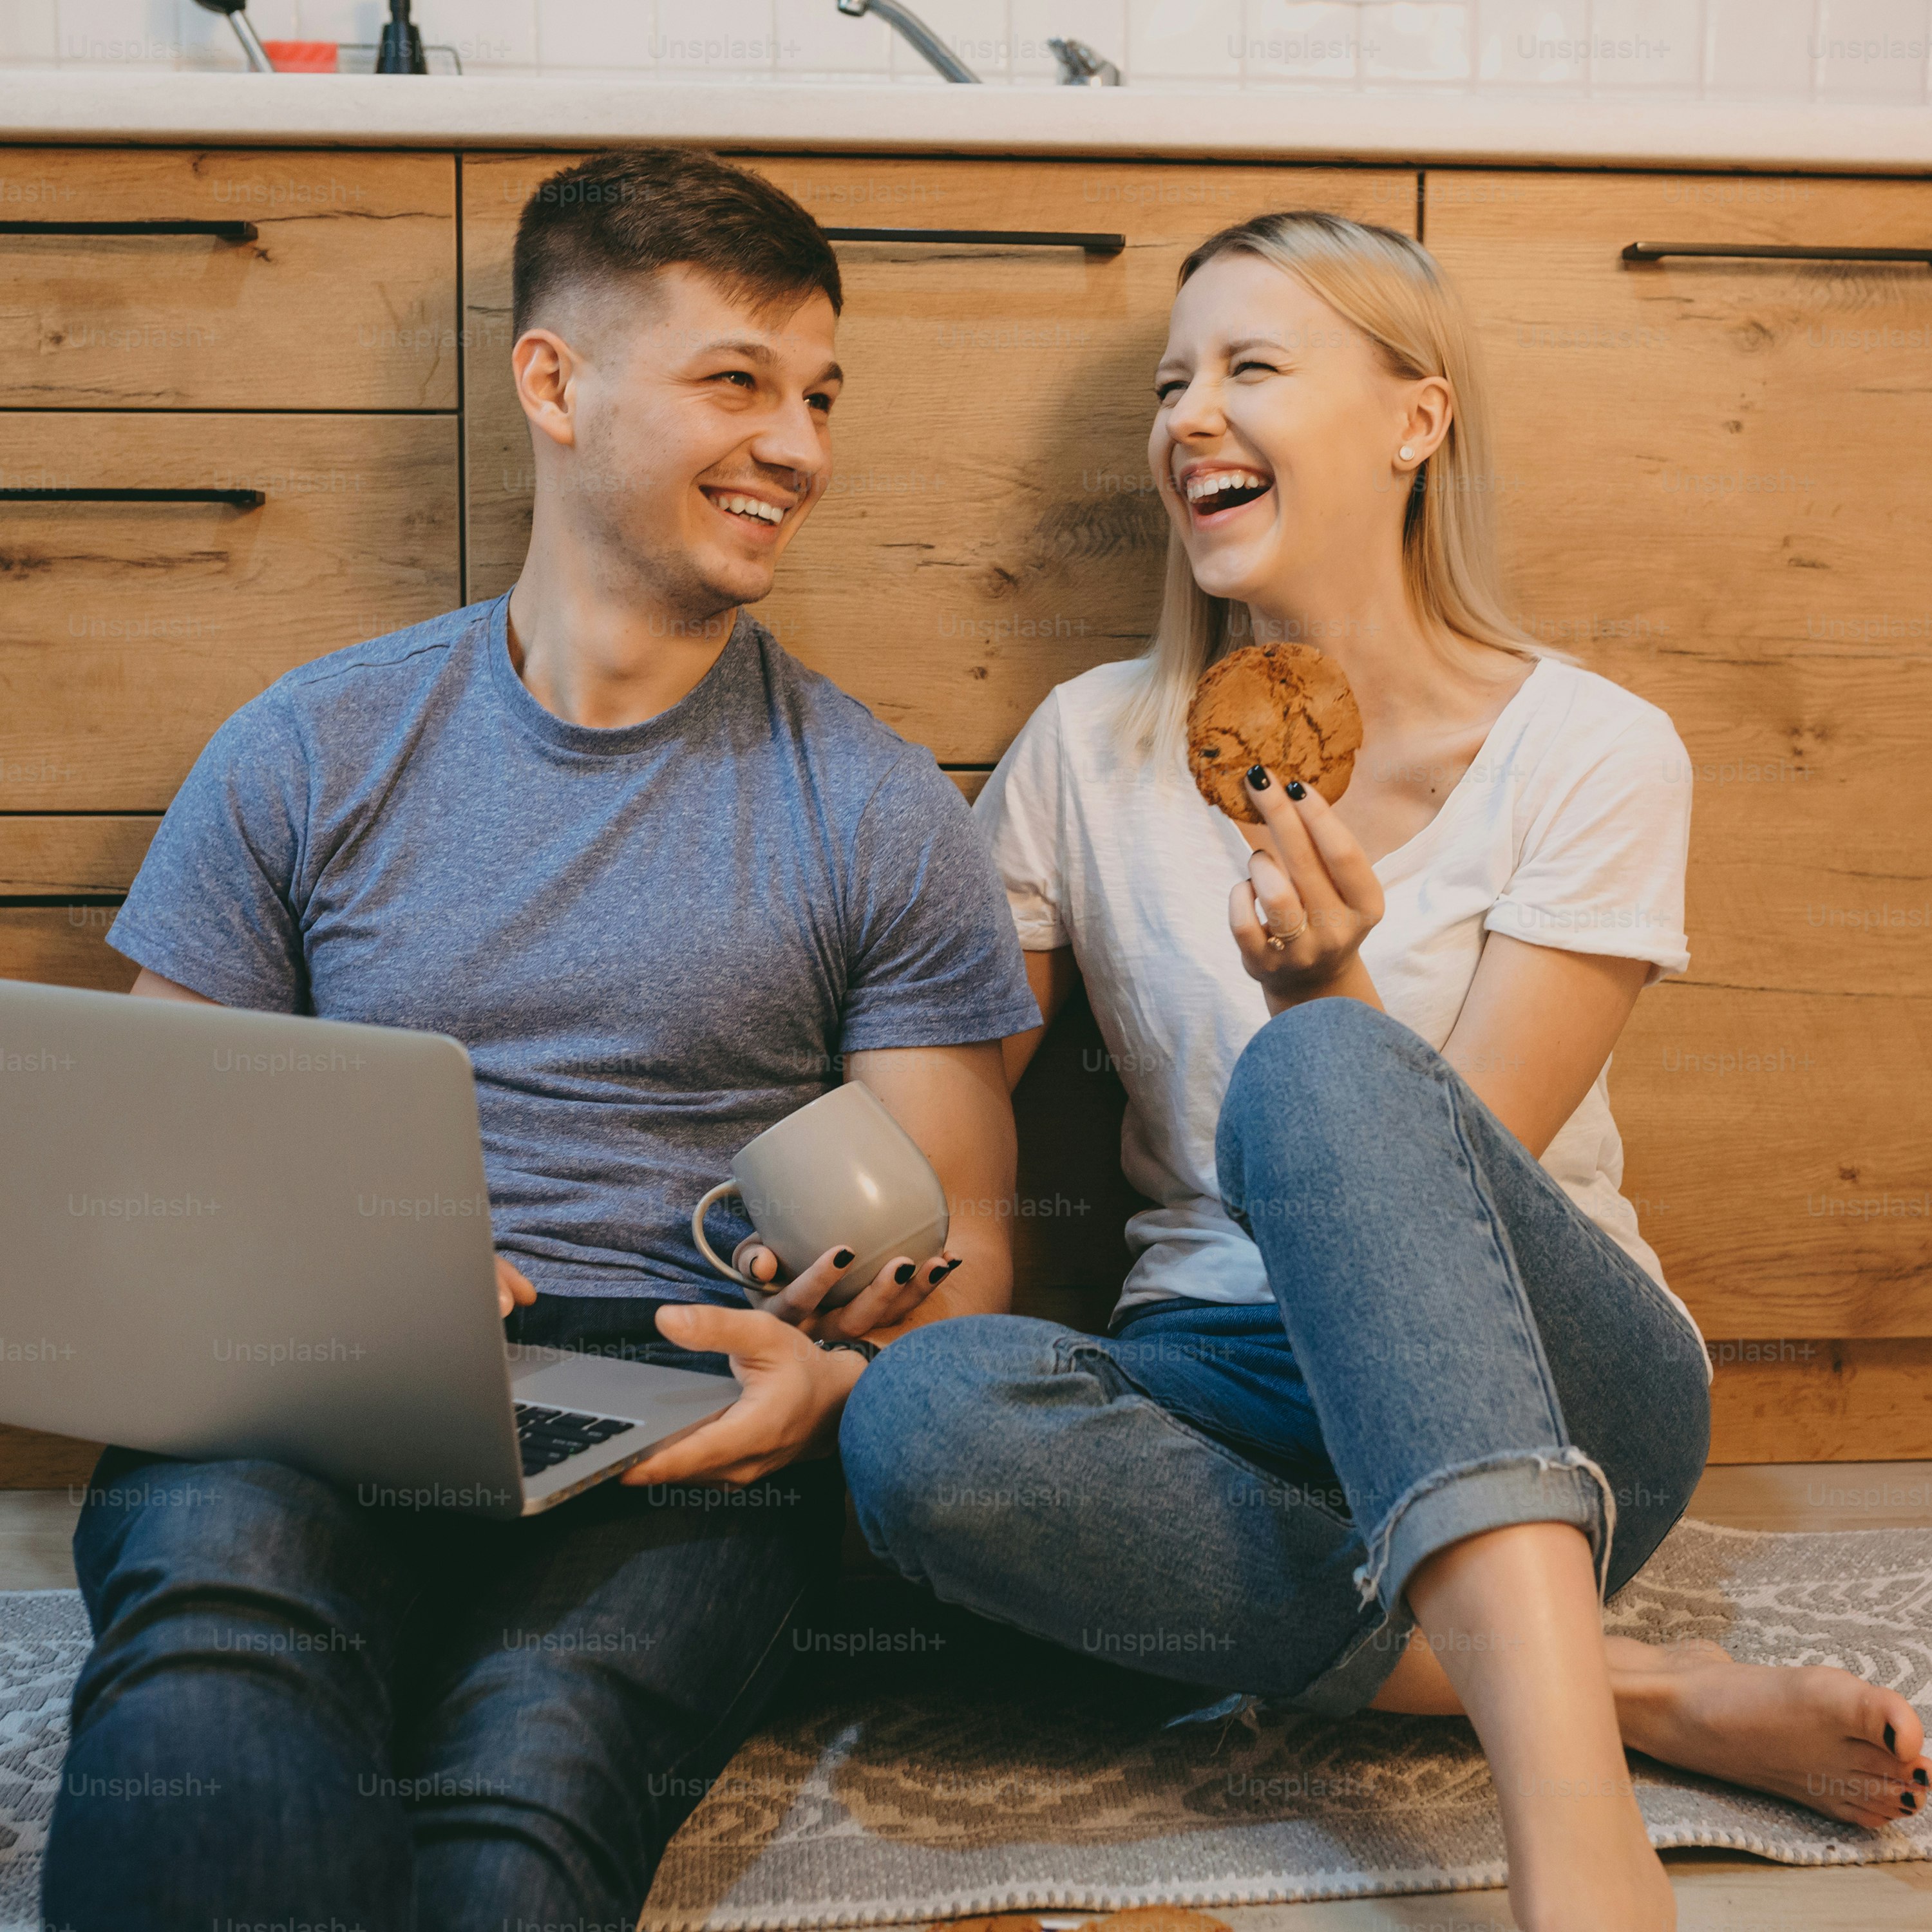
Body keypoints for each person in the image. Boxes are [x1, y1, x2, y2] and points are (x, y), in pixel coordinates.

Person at [839, 210, 1931, 1932]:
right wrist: (822, 1244)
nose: (1190, 414)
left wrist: (1325, 986)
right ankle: (1635, 1697)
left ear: (1415, 422)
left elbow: (1447, 1181)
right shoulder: (1089, 750)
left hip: (1562, 1397)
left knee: (1319, 1079)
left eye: (1253, 368)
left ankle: (1572, 1828)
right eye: (1171, 379)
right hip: (1217, 1391)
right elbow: (943, 1110)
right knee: (916, 1428)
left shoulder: (1590, 750)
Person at [43, 146, 1038, 1932]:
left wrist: (831, 1395)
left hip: (693, 1405)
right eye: (737, 381)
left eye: (819, 395)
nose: (801, 445)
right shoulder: (311, 750)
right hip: (317, 1375)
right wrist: (341, 1294)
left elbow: (962, 1263)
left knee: (532, 1765)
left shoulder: (879, 808)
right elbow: (142, 1188)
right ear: (555, 384)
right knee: (218, 1649)